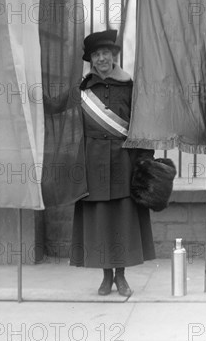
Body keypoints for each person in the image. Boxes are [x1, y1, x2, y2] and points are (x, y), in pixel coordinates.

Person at [66, 30, 156, 296]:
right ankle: (106, 277)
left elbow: (142, 126)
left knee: (122, 220)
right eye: (96, 55)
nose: (101, 58)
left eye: (105, 53)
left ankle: (122, 276)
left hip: (124, 161)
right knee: (101, 221)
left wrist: (144, 163)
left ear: (114, 55)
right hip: (92, 163)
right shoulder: (83, 89)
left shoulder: (130, 86)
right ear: (91, 60)